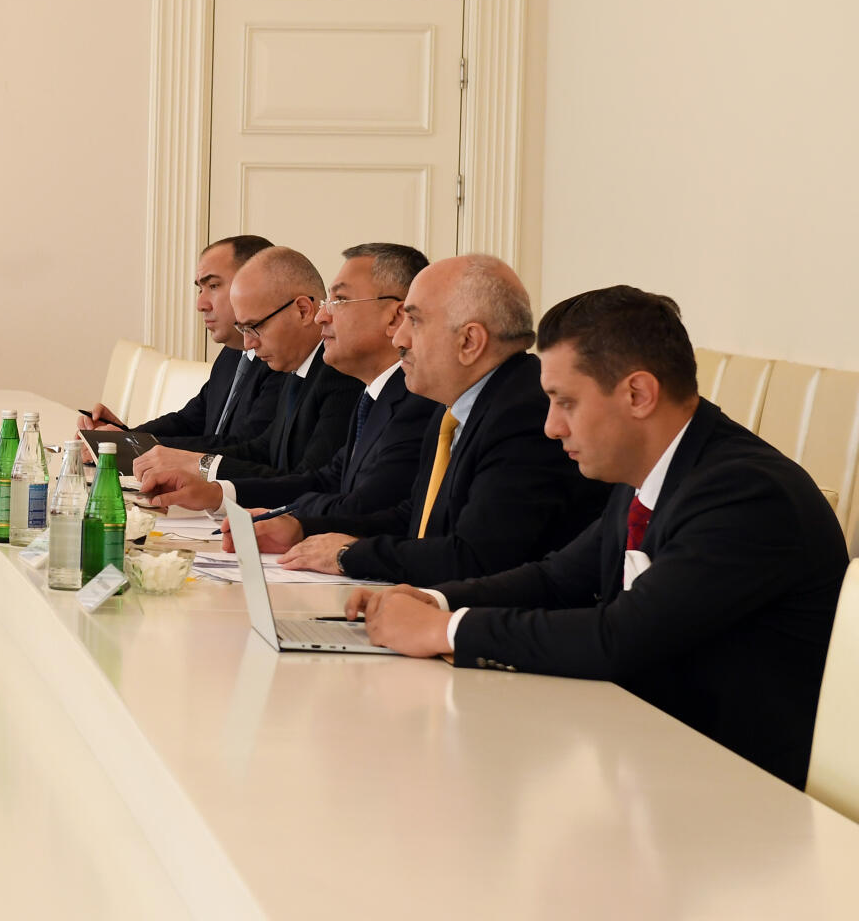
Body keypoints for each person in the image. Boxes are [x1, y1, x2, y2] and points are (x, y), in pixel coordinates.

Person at [347, 286, 848, 788]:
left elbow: (620, 637)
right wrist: (433, 600)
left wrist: (445, 630)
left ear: (637, 395)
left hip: (735, 787)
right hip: (646, 754)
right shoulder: (650, 468)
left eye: (565, 402)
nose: (551, 427)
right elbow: (556, 578)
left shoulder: (747, 493)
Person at [198, 254, 605, 584]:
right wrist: (301, 527)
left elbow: (475, 557)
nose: (399, 338)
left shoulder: (522, 412)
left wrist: (349, 555)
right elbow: (412, 515)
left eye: (415, 321)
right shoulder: (458, 405)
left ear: (469, 341)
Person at [138, 243, 439, 527]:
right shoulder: (368, 392)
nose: (323, 316)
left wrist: (296, 526)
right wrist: (217, 493)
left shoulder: (408, 398)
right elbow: (323, 479)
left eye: (339, 301)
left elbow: (362, 505)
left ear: (395, 317)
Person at [150, 246, 360, 480]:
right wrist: (188, 462)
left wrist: (200, 469)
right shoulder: (296, 367)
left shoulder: (340, 376)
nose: (248, 343)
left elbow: (309, 481)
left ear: (302, 311)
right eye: (243, 329)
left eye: (254, 327)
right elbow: (262, 450)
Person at [77, 234, 287, 451]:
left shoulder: (281, 361)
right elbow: (189, 422)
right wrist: (125, 435)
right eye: (200, 289)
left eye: (214, 285)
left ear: (251, 286)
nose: (200, 304)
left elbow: (244, 446)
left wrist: (131, 444)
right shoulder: (231, 354)